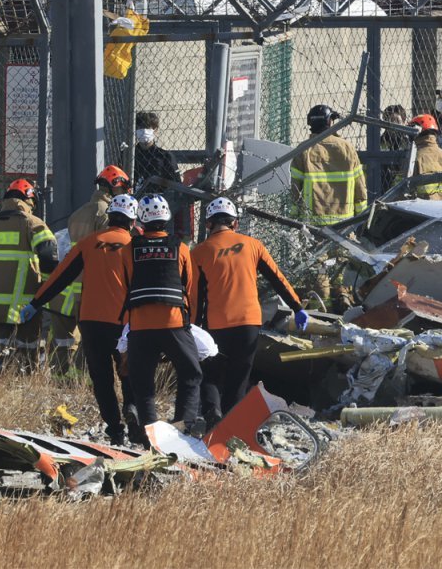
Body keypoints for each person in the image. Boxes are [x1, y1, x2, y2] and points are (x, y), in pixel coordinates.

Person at [22, 194, 141, 445]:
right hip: (124, 323)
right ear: (132, 220)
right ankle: (133, 410)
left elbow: (59, 277)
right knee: (129, 373)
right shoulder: (135, 245)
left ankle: (115, 430)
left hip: (90, 322)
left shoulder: (89, 243)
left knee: (101, 379)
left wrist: (35, 303)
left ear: (109, 217)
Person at [192, 197, 307, 427]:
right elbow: (277, 278)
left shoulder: (200, 252)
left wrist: (195, 326)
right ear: (235, 223)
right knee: (238, 379)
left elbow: (196, 296)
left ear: (208, 225)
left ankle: (213, 415)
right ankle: (230, 428)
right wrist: (298, 308)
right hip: (249, 324)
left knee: (211, 376)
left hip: (217, 325)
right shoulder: (253, 245)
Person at [121, 194, 203, 436]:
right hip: (174, 323)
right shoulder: (181, 248)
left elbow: (126, 285)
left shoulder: (129, 249)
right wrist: (191, 324)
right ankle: (184, 428)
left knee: (143, 382)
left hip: (141, 326)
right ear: (166, 218)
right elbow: (190, 290)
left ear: (141, 221)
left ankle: (149, 436)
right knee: (190, 373)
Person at [45, 164, 133, 373]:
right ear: (115, 186)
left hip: (70, 285)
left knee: (64, 341)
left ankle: (63, 380)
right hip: (93, 287)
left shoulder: (78, 214)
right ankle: (85, 379)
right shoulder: (106, 214)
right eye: (122, 190)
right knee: (93, 339)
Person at [0, 179, 56, 366]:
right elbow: (50, 260)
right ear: (29, 200)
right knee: (27, 356)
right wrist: (45, 290)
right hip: (25, 306)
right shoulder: (34, 224)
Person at [290, 103, 368, 224]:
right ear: (329, 122)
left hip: (312, 225)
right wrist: (361, 216)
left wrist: (294, 216)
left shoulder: (303, 149)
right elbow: (360, 186)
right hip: (343, 224)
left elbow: (295, 188)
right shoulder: (347, 148)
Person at [132, 111, 180, 196]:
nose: (144, 131)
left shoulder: (165, 157)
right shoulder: (129, 156)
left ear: (155, 130)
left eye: (148, 127)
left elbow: (176, 185)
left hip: (158, 203)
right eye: (140, 127)